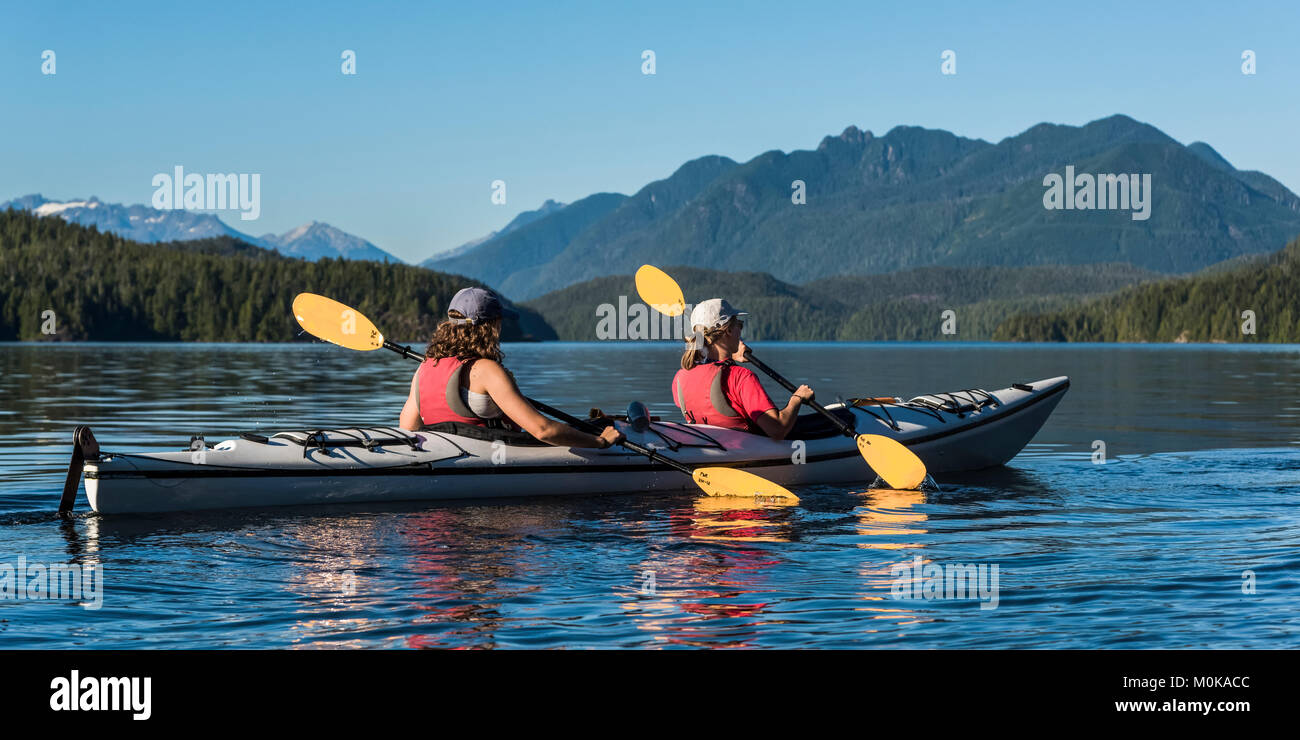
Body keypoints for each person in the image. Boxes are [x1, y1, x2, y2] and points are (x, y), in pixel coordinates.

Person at [400, 287, 623, 449]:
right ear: (491, 327)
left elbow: (408, 426)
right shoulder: (487, 370)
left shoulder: (425, 368)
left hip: (445, 455)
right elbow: (542, 430)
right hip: (492, 457)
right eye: (499, 323)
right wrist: (599, 441)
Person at [671, 298, 814, 441]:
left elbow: (709, 377)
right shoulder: (741, 377)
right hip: (742, 450)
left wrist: (730, 355)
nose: (740, 331)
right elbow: (777, 429)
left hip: (706, 447)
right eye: (739, 325)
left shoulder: (680, 377)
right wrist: (797, 398)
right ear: (728, 331)